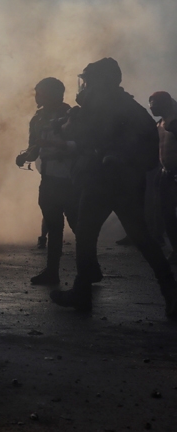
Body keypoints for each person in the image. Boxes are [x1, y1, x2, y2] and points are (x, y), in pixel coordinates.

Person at [50, 58, 176, 318]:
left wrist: (66, 123)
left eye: (89, 81)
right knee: (142, 237)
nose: (86, 86)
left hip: (103, 181)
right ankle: (171, 292)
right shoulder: (132, 107)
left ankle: (82, 293)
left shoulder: (102, 106)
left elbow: (77, 135)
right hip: (127, 182)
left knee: (86, 234)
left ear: (101, 81)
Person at [15, 78, 80, 285]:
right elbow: (34, 149)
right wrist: (25, 156)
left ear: (54, 94)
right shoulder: (37, 119)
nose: (37, 97)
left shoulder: (72, 115)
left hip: (71, 179)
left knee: (78, 225)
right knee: (53, 225)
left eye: (40, 93)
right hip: (49, 178)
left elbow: (82, 145)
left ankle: (88, 269)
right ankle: (52, 271)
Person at [149, 91, 177, 265]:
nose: (152, 108)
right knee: (167, 214)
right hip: (166, 172)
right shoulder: (159, 124)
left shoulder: (175, 122)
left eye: (154, 104)